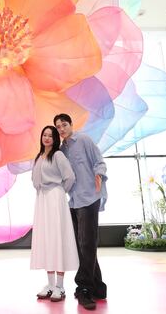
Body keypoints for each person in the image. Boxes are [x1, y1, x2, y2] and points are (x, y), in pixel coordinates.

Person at [54, 113, 108, 311]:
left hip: (89, 197)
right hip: (74, 201)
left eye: (64, 125)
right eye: (58, 127)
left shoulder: (84, 140)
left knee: (87, 243)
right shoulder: (61, 151)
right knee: (81, 245)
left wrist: (99, 175)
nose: (61, 129)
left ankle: (83, 287)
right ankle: (98, 286)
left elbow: (99, 161)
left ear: (71, 124)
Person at [30, 126, 79, 303]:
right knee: (47, 239)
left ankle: (60, 286)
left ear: (55, 139)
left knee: (57, 238)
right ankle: (50, 285)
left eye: (50, 135)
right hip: (42, 199)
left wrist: (59, 191)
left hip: (55, 198)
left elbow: (70, 177)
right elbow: (35, 180)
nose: (47, 138)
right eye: (44, 135)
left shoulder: (58, 155)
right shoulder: (39, 156)